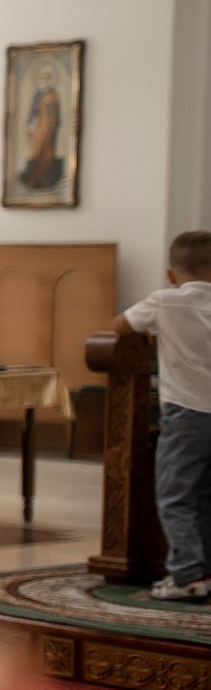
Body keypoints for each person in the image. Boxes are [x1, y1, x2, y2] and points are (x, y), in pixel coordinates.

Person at [111, 231, 211, 600]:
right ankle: (206, 570)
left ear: (171, 274)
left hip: (187, 414)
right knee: (205, 496)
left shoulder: (166, 302)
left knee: (176, 496)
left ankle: (186, 576)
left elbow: (117, 327)